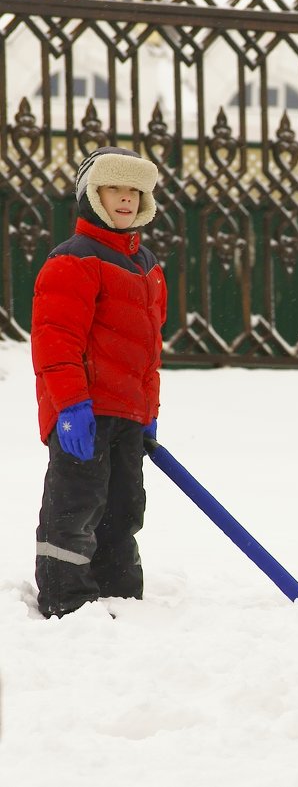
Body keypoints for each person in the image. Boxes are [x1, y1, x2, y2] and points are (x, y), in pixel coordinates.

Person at [31, 146, 167, 619]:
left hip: (128, 412)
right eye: (115, 188)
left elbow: (149, 351)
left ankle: (118, 591)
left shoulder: (146, 263)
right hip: (83, 411)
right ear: (92, 194)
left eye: (135, 190)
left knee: (125, 506)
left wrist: (149, 413)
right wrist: (69, 405)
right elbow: (56, 340)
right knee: (76, 506)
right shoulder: (74, 259)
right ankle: (65, 597)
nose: (126, 199)